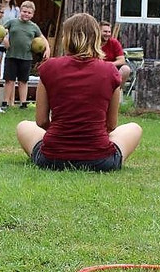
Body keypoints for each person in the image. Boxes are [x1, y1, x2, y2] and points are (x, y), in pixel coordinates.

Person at [16, 13, 142, 171]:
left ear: (67, 38)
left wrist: (66, 135)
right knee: (134, 128)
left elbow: (41, 121)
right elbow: (111, 125)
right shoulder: (110, 71)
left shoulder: (49, 67)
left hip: (51, 157)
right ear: (96, 38)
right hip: (101, 160)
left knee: (23, 126)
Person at [3, 0, 49, 109]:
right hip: (11, 55)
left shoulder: (34, 27)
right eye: (24, 11)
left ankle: (23, 103)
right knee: (9, 80)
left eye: (29, 13)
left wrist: (47, 49)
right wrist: (5, 39)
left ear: (32, 14)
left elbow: (42, 38)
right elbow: (2, 31)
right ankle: (5, 102)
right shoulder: (12, 22)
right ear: (20, 11)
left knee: (23, 81)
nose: (26, 14)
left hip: (26, 57)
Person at [0, 0, 20, 108]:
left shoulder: (16, 10)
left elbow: (17, 25)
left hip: (12, 44)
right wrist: (3, 38)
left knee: (11, 73)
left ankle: (11, 101)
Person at [99, 20, 131, 84]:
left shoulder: (114, 43)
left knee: (126, 69)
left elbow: (122, 60)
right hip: (97, 69)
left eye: (109, 32)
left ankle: (118, 89)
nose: (107, 34)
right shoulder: (92, 43)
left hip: (112, 69)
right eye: (105, 32)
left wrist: (108, 65)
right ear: (98, 31)